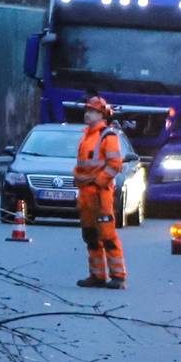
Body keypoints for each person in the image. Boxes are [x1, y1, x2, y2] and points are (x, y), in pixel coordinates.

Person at [74, 96, 130, 289]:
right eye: (86, 110)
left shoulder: (108, 136)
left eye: (91, 110)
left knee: (107, 235)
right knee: (90, 235)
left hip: (100, 194)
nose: (87, 113)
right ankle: (97, 275)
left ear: (101, 114)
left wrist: (98, 182)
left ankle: (118, 276)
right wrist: (78, 178)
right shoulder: (86, 136)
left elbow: (115, 164)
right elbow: (83, 166)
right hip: (86, 194)